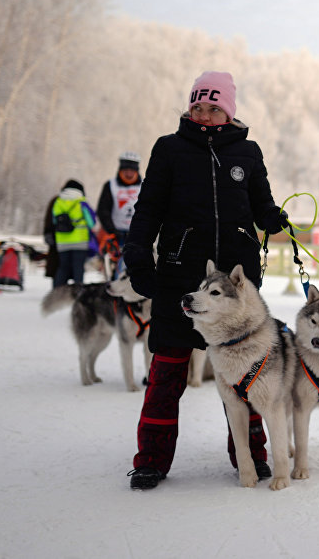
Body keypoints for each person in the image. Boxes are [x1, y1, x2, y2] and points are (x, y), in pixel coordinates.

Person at [121, 71, 289, 490]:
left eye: (214, 107)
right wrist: (138, 253)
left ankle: (250, 457)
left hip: (236, 289)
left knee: (250, 377)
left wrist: (270, 217)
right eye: (198, 106)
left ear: (228, 111)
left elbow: (261, 203)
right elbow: (148, 209)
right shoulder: (169, 149)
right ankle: (151, 460)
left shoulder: (247, 152)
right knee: (167, 373)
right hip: (181, 280)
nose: (204, 113)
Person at [96, 151, 144, 278]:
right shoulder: (111, 185)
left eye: (132, 171)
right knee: (118, 268)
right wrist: (111, 230)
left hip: (138, 234)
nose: (129, 174)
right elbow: (103, 210)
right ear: (120, 170)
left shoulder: (145, 185)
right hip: (117, 234)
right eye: (126, 170)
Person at [49, 179, 97, 287]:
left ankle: (57, 293)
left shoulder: (58, 202)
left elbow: (54, 221)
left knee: (63, 268)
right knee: (78, 268)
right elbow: (91, 223)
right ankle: (77, 293)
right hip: (80, 241)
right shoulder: (82, 202)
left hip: (62, 241)